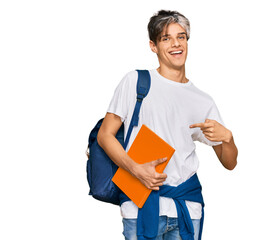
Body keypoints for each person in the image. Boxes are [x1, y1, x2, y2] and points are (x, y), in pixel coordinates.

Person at [97, 10, 238, 240]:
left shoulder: (202, 100)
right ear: (153, 46)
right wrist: (135, 169)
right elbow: (105, 136)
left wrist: (228, 138)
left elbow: (230, 162)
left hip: (187, 208)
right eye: (166, 38)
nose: (176, 44)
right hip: (140, 204)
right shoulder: (136, 82)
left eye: (181, 37)